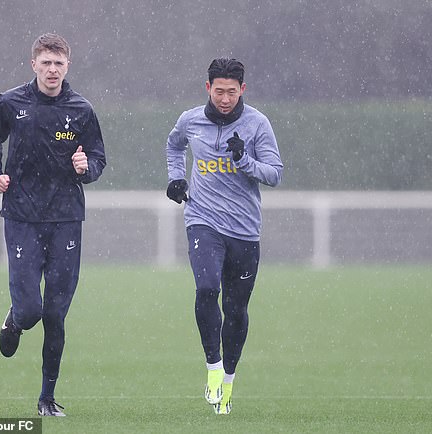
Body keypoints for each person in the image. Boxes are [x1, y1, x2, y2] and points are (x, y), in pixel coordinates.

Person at [0, 33, 106, 417]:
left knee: (55, 314)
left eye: (59, 64)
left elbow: (97, 157)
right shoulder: (11, 102)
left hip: (66, 218)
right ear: (33, 64)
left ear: (68, 66)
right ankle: (16, 320)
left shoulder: (81, 110)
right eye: (46, 63)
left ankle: (47, 398)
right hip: (22, 217)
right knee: (32, 309)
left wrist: (88, 168)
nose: (52, 70)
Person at [165, 58, 283, 415]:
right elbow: (173, 145)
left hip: (244, 230)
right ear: (208, 88)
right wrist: (176, 178)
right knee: (206, 288)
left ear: (243, 90)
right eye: (219, 91)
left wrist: (244, 160)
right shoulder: (190, 120)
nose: (225, 98)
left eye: (232, 92)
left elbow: (275, 173)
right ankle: (213, 368)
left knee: (236, 310)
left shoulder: (257, 124)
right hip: (202, 220)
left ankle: (228, 381)